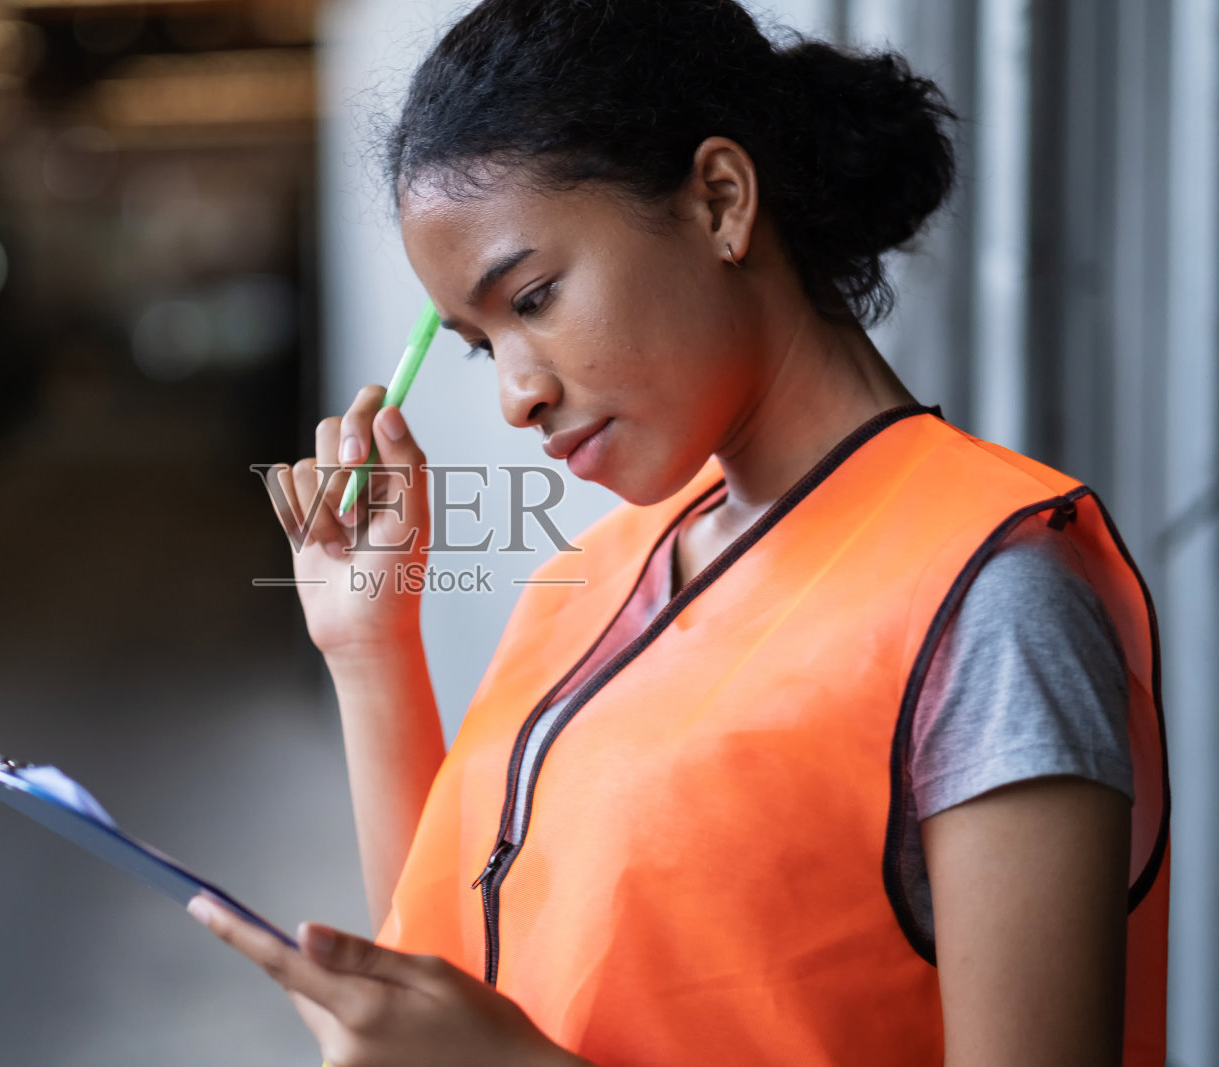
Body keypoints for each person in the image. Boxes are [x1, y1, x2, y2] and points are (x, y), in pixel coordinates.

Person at [185, 1, 1170, 1064]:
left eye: (535, 294)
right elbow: (456, 963)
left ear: (718, 199)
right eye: (481, 343)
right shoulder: (605, 574)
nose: (518, 393)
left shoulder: (990, 594)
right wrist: (369, 650)